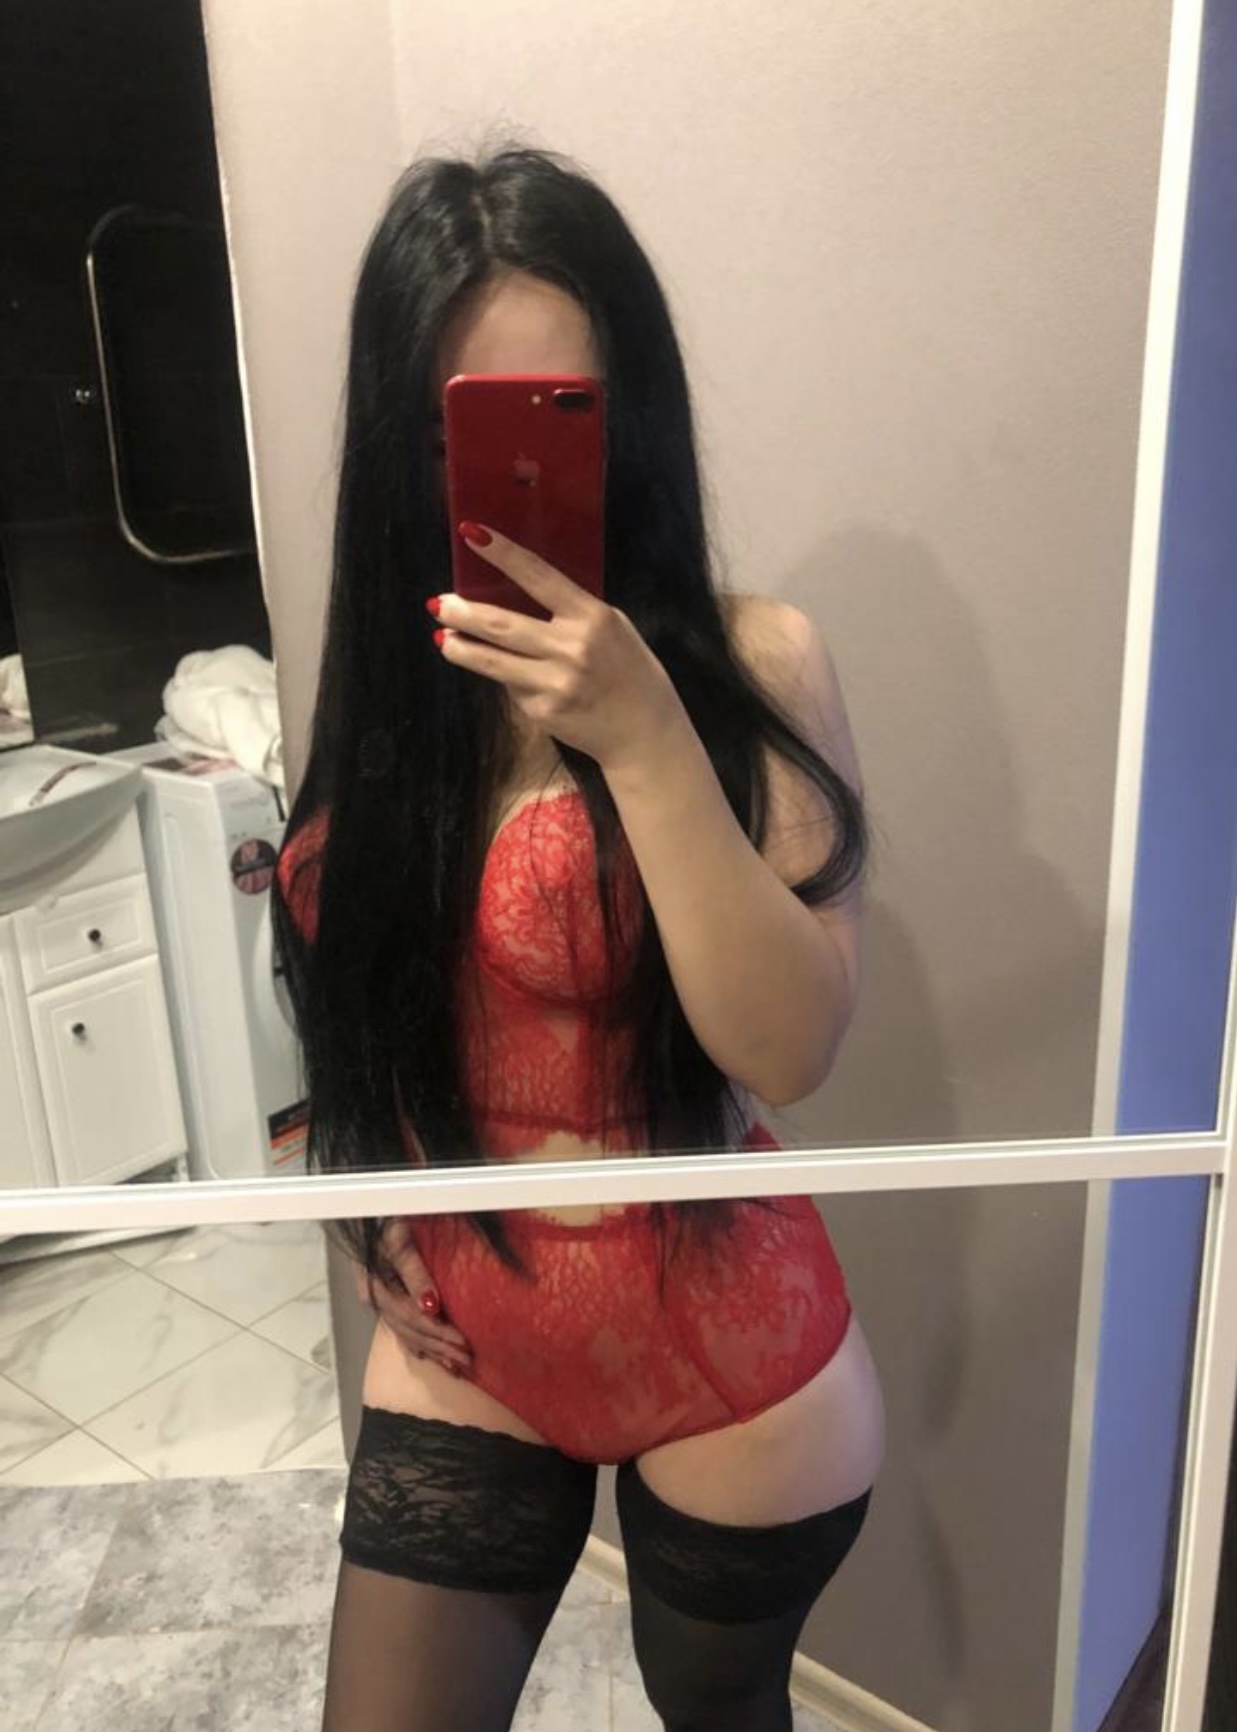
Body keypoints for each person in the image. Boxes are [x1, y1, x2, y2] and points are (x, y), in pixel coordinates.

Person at [273, 146, 885, 1732]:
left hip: (724, 1348)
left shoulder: (755, 661)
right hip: (471, 1328)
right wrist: (371, 1189)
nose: (506, 478)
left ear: (637, 418)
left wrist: (647, 737)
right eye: (457, 433)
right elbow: (368, 987)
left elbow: (792, 1049)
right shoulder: (391, 676)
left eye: (563, 419)